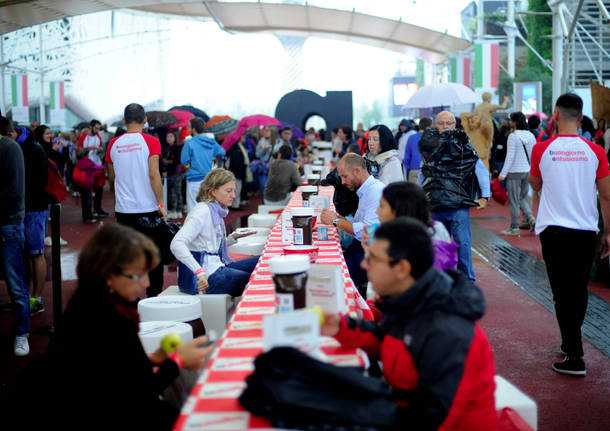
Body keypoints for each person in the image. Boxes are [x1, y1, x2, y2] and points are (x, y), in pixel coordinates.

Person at [12, 224, 212, 429]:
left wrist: (154, 359)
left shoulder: (90, 303)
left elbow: (116, 370)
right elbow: (139, 393)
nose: (145, 283)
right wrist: (177, 362)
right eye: (138, 274)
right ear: (109, 276)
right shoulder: (106, 320)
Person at [321, 218, 498, 431]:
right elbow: (386, 338)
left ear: (402, 269)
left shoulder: (446, 331)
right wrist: (341, 327)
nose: (364, 264)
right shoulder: (411, 300)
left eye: (373, 258)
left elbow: (431, 417)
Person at [529, 93, 610, 376]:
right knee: (577, 288)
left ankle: (575, 355)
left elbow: (535, 183)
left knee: (562, 291)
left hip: (553, 230)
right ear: (580, 115)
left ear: (556, 115)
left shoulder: (542, 149)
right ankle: (570, 343)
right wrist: (608, 232)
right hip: (586, 229)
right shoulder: (596, 151)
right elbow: (607, 195)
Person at [418, 111, 490, 281]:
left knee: (462, 244)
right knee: (439, 244)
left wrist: (485, 196)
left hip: (457, 206)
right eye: (441, 123)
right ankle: (442, 279)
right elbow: (423, 173)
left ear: (454, 125)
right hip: (436, 204)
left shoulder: (464, 145)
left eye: (448, 123)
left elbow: (479, 169)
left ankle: (466, 280)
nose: (444, 127)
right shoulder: (431, 147)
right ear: (435, 125)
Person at [106, 103, 167, 297]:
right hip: (147, 208)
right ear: (145, 120)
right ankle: (154, 297)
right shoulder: (151, 141)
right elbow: (153, 175)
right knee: (152, 255)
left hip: (124, 209)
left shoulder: (113, 144)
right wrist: (160, 204)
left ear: (124, 121)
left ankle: (129, 298)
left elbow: (112, 177)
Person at [170, 169, 259, 297]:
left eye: (233, 191)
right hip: (205, 277)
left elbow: (209, 245)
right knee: (257, 280)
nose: (233, 195)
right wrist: (199, 272)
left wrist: (231, 238)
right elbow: (176, 244)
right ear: (213, 192)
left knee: (263, 261)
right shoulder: (202, 211)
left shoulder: (215, 210)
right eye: (229, 191)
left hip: (216, 266)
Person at [320, 153, 385, 289]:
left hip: (371, 255)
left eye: (345, 176)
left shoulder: (375, 191)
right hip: (361, 249)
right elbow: (358, 222)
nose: (342, 182)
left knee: (332, 274)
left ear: (357, 170)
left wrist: (336, 220)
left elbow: (367, 231)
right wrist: (338, 218)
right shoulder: (365, 190)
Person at [0, 116, 30, 356]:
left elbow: (15, 191)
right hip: (8, 223)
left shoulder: (10, 148)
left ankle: (22, 333)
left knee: (16, 285)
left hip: (8, 224)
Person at [19, 124, 48, 316]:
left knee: (36, 253)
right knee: (29, 254)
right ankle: (29, 297)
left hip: (35, 208)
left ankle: (36, 298)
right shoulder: (29, 148)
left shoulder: (33, 150)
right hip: (29, 208)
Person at [498, 112, 536, 236]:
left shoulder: (513, 136)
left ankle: (514, 228)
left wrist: (502, 174)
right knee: (520, 198)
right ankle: (531, 219)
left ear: (514, 122)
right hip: (527, 171)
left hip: (514, 172)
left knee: (514, 200)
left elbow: (510, 157)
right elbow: (533, 155)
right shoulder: (530, 136)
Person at [181, 117, 226, 212]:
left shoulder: (189, 142)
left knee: (193, 209)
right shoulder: (211, 141)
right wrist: (211, 156)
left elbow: (184, 161)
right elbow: (222, 152)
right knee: (208, 208)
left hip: (194, 179)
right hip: (208, 179)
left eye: (189, 127)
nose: (188, 129)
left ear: (193, 129)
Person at [77, 119, 108, 217]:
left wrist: (100, 150)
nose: (98, 130)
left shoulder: (98, 137)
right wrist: (89, 148)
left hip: (97, 165)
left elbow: (101, 151)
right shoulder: (83, 137)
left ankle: (97, 209)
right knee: (87, 192)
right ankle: (87, 213)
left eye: (99, 128)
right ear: (91, 127)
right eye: (96, 128)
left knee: (99, 188)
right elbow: (79, 152)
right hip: (87, 167)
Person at [73, 148, 105, 223]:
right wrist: (103, 166)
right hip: (88, 184)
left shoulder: (78, 162)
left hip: (81, 184)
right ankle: (88, 217)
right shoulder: (89, 162)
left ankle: (85, 216)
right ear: (87, 155)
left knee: (84, 201)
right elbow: (97, 167)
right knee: (88, 201)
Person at [162, 129, 185, 220]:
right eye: (168, 136)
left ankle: (176, 210)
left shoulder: (177, 147)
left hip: (177, 172)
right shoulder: (167, 148)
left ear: (175, 138)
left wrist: (167, 161)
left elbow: (178, 160)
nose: (169, 138)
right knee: (174, 191)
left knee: (175, 191)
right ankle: (177, 210)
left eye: (171, 136)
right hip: (171, 172)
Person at [403, 117, 432, 184]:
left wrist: (407, 172)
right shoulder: (431, 137)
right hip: (429, 171)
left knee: (415, 194)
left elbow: (407, 157)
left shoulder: (411, 138)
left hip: (414, 171)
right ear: (429, 126)